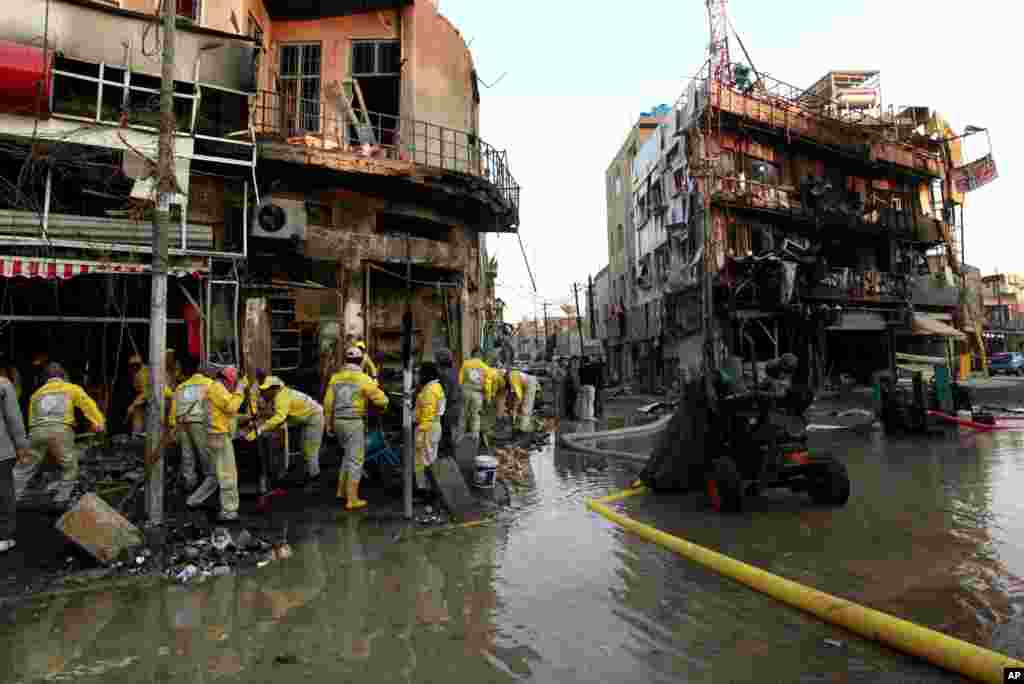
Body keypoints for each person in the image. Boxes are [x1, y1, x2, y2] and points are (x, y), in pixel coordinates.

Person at [15, 363, 105, 497]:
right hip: (60, 432)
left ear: (45, 378)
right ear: (63, 376)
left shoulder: (37, 394)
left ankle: (10, 496)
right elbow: (88, 404)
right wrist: (98, 422)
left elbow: (32, 418)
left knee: (24, 467)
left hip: (36, 431)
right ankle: (62, 498)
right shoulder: (71, 388)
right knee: (69, 466)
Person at [324, 346, 389, 510]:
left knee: (347, 456)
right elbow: (381, 400)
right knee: (355, 459)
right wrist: (383, 404)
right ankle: (352, 499)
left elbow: (328, 402)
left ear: (345, 360)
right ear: (360, 361)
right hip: (353, 422)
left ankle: (342, 491)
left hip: (338, 422)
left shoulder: (336, 378)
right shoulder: (363, 378)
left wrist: (328, 423)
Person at [186, 365, 248, 521]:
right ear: (229, 380)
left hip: (214, 435)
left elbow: (224, 411)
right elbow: (231, 408)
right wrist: (240, 391)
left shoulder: (215, 388)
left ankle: (194, 501)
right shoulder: (217, 388)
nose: (232, 387)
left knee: (215, 474)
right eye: (233, 383)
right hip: (219, 436)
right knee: (228, 474)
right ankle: (229, 511)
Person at [252, 376, 326, 483]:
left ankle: (314, 477)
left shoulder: (282, 397)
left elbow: (279, 417)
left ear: (274, 388)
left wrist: (261, 428)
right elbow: (277, 414)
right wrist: (261, 417)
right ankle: (309, 474)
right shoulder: (281, 394)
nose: (264, 393)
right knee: (304, 449)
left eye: (266, 390)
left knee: (310, 450)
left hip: (314, 417)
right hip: (306, 417)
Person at [167, 356, 214, 493]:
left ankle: (189, 483)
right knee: (204, 453)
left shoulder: (181, 387)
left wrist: (172, 427)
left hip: (182, 422)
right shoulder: (209, 384)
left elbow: (173, 412)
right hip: (199, 422)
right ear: (199, 368)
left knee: (187, 456)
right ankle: (209, 484)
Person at [0, 373, 30, 553]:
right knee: (4, 491)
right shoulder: (3, 384)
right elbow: (14, 418)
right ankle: (3, 537)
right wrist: (21, 446)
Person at [414, 362, 445, 491]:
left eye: (418, 373)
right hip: (433, 427)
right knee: (430, 459)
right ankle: (429, 489)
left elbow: (427, 416)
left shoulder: (430, 391)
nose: (417, 376)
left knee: (423, 461)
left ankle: (425, 490)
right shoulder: (435, 387)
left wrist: (420, 434)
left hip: (428, 429)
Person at [459, 348, 494, 440]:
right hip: (477, 394)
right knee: (475, 417)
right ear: (481, 356)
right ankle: (474, 439)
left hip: (465, 392)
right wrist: (488, 398)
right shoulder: (486, 367)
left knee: (463, 415)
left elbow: (460, 380)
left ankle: (460, 438)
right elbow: (487, 385)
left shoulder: (465, 364)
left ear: (472, 354)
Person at [434, 348, 464, 456]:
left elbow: (444, 395)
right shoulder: (454, 371)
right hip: (457, 405)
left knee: (447, 431)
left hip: (450, 407)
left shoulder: (444, 375)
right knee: (451, 431)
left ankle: (448, 453)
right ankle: (450, 452)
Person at [125, 354, 148, 434]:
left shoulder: (142, 374)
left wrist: (133, 405)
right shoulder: (137, 373)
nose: (133, 368)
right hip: (143, 400)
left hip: (149, 400)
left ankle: (137, 434)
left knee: (138, 414)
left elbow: (145, 392)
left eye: (135, 365)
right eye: (132, 366)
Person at [577, 356, 598, 421]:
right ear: (589, 361)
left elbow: (579, 377)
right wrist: (595, 385)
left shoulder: (580, 368)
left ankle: (583, 416)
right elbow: (595, 378)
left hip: (583, 386)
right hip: (591, 386)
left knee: (584, 401)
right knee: (590, 402)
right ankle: (590, 416)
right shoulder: (593, 368)